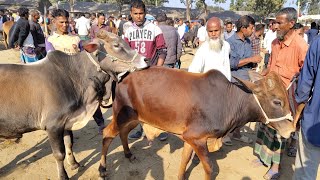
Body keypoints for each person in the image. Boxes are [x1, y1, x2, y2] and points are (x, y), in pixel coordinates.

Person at [253, 8, 308, 180]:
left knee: (279, 131)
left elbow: (306, 74)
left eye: (279, 22)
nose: (274, 26)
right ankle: (263, 156)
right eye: (274, 22)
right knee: (265, 124)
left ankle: (276, 166)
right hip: (271, 92)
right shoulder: (275, 43)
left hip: (287, 97)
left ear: (291, 24)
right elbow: (271, 67)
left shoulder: (301, 45)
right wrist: (260, 76)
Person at [45, 9, 106, 133]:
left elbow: (84, 55)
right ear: (54, 22)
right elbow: (51, 59)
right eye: (61, 22)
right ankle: (64, 129)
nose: (64, 25)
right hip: (61, 79)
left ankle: (101, 123)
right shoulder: (50, 40)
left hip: (79, 77)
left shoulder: (76, 38)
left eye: (66, 22)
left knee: (90, 98)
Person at [125, 0, 167, 140]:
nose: (138, 16)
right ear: (131, 14)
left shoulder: (155, 29)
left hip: (151, 72)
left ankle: (159, 130)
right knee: (138, 104)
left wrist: (158, 69)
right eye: (135, 13)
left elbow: (162, 50)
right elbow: (125, 52)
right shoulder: (128, 30)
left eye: (141, 13)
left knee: (155, 103)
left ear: (145, 13)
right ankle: (141, 129)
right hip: (135, 74)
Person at [224, 15, 261, 146]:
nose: (252, 30)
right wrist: (250, 60)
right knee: (232, 109)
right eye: (251, 27)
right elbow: (231, 63)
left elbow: (249, 60)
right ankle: (226, 134)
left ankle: (237, 133)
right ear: (243, 28)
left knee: (242, 110)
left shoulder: (249, 42)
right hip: (235, 80)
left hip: (247, 79)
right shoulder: (229, 43)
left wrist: (254, 63)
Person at [293, 35, 320, 180]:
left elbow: (304, 86)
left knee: (306, 171)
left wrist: (298, 113)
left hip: (315, 122)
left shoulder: (317, 43)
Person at [188, 17, 231, 81]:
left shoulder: (226, 45)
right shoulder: (203, 49)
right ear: (207, 32)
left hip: (226, 87)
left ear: (222, 30)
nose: (213, 34)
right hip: (209, 88)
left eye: (216, 31)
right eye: (210, 31)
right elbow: (193, 71)